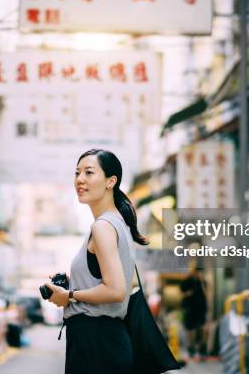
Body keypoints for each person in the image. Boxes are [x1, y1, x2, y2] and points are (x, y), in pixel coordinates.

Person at [44, 149, 148, 374]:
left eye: (89, 173)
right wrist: (72, 282)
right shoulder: (118, 224)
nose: (80, 179)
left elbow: (116, 290)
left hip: (96, 343)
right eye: (77, 173)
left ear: (111, 181)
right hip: (105, 341)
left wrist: (69, 295)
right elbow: (111, 281)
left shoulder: (102, 227)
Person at [179, 266, 208, 361]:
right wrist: (188, 293)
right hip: (189, 308)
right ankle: (190, 349)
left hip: (200, 308)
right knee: (190, 329)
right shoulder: (186, 281)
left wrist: (202, 281)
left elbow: (207, 294)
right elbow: (181, 293)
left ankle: (200, 350)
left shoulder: (202, 282)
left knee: (200, 328)